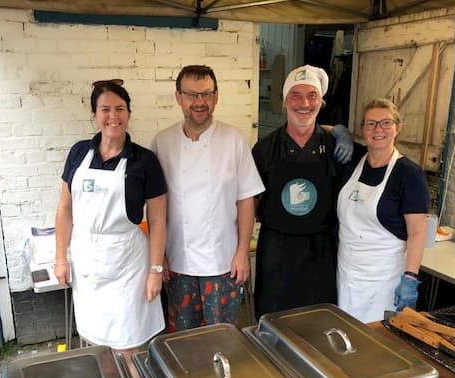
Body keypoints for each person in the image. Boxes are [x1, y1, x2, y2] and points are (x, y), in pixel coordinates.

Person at [54, 79, 167, 357]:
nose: (113, 117)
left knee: (128, 347)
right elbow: (65, 208)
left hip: (128, 267)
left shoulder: (145, 161)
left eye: (120, 108)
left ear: (129, 113)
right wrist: (60, 257)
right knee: (99, 346)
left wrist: (155, 272)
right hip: (88, 265)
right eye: (105, 109)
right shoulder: (79, 153)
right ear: (94, 114)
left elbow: (158, 221)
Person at [150, 65, 265, 332]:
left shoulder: (234, 140)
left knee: (221, 336)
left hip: (223, 262)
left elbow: (246, 199)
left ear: (216, 97)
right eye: (191, 94)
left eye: (206, 94)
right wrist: (160, 257)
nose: (199, 102)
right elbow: (155, 208)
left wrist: (242, 253)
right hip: (178, 260)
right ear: (178, 97)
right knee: (182, 337)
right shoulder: (162, 142)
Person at [252, 65, 353, 319]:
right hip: (276, 250)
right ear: (285, 101)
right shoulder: (264, 149)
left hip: (321, 250)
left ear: (321, 102)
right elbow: (248, 203)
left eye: (312, 96)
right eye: (296, 95)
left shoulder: (336, 148)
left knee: (318, 322)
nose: (304, 103)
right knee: (273, 321)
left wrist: (343, 132)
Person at [337, 98, 429, 323]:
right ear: (363, 130)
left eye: (386, 123)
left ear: (397, 128)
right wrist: (340, 131)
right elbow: (318, 128)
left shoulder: (409, 174)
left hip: (383, 278)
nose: (378, 129)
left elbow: (417, 231)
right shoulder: (353, 161)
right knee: (346, 334)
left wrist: (410, 277)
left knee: (375, 342)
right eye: (371, 124)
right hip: (348, 272)